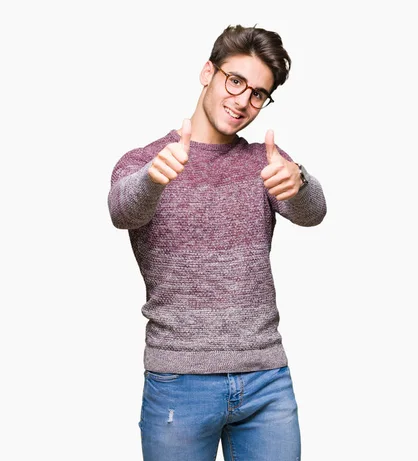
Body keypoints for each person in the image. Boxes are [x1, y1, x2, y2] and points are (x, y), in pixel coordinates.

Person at [107, 24, 327, 461]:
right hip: (179, 381)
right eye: (236, 80)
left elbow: (313, 213)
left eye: (259, 94)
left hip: (266, 380)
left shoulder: (264, 163)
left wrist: (300, 179)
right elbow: (121, 211)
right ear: (208, 72)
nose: (244, 101)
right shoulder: (144, 162)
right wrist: (154, 178)